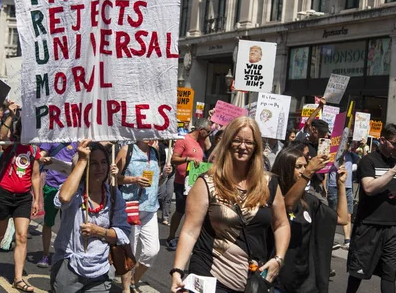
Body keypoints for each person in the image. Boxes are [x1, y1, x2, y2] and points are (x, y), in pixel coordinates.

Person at [170, 117, 290, 293]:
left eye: (249, 142)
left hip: (252, 279)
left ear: (256, 147)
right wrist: (177, 270)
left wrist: (279, 259)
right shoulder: (207, 182)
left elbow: (281, 224)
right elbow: (190, 230)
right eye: (237, 140)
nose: (243, 146)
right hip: (209, 276)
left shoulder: (269, 183)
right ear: (227, 143)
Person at [50, 141, 130, 292]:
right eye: (93, 163)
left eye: (104, 162)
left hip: (100, 270)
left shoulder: (113, 194)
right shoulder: (75, 191)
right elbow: (64, 198)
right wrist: (82, 160)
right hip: (69, 267)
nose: (100, 168)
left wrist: (99, 231)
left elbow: (123, 233)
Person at [272, 147, 349, 292]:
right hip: (279, 279)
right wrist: (308, 173)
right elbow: (287, 205)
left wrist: (341, 185)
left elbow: (342, 218)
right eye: (298, 167)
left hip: (304, 280)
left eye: (304, 166)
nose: (303, 170)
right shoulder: (274, 196)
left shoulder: (309, 201)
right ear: (285, 168)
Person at [0, 102, 42, 292]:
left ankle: (18, 278)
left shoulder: (33, 150)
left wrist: (36, 199)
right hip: (4, 194)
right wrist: (9, 113)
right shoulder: (10, 145)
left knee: (22, 236)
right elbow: (1, 135)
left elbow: (35, 175)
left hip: (23, 197)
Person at [346, 123, 396, 293]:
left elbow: (391, 190)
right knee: (358, 272)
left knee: (390, 274)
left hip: (392, 227)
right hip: (369, 224)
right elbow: (369, 188)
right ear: (382, 140)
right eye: (394, 143)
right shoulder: (368, 161)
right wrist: (392, 172)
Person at [117, 141, 172, 293]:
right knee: (130, 252)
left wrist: (165, 175)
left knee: (152, 251)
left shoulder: (154, 152)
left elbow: (157, 183)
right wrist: (133, 180)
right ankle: (126, 288)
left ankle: (135, 279)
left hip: (150, 209)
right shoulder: (126, 150)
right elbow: (114, 178)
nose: (151, 136)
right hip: (131, 207)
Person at [166, 118, 212, 250]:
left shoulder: (201, 142)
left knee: (193, 212)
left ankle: (188, 238)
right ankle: (171, 236)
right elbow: (174, 159)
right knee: (180, 210)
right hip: (182, 182)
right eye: (207, 132)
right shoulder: (183, 140)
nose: (209, 134)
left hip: (195, 183)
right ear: (201, 130)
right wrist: (187, 159)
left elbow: (210, 151)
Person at [36, 138, 79, 268]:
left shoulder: (76, 141)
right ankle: (45, 254)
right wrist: (43, 159)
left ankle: (65, 255)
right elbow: (40, 155)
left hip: (69, 188)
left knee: (69, 224)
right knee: (48, 222)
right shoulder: (52, 139)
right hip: (51, 185)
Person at [328, 139, 358, 249]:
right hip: (334, 186)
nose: (348, 145)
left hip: (347, 187)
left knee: (348, 215)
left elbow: (361, 158)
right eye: (346, 143)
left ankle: (347, 240)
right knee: (334, 214)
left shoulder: (352, 156)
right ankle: (330, 238)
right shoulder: (334, 155)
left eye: (349, 144)